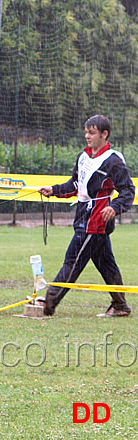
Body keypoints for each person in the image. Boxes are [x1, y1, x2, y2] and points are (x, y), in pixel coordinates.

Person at [38, 114, 134, 317]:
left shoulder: (114, 161)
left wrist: (114, 207)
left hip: (97, 221)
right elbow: (75, 185)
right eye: (86, 132)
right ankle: (120, 305)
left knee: (72, 261)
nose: (87, 136)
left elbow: (128, 191)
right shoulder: (83, 157)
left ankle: (49, 302)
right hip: (82, 216)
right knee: (106, 264)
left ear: (104, 134)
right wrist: (53, 189)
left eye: (91, 133)